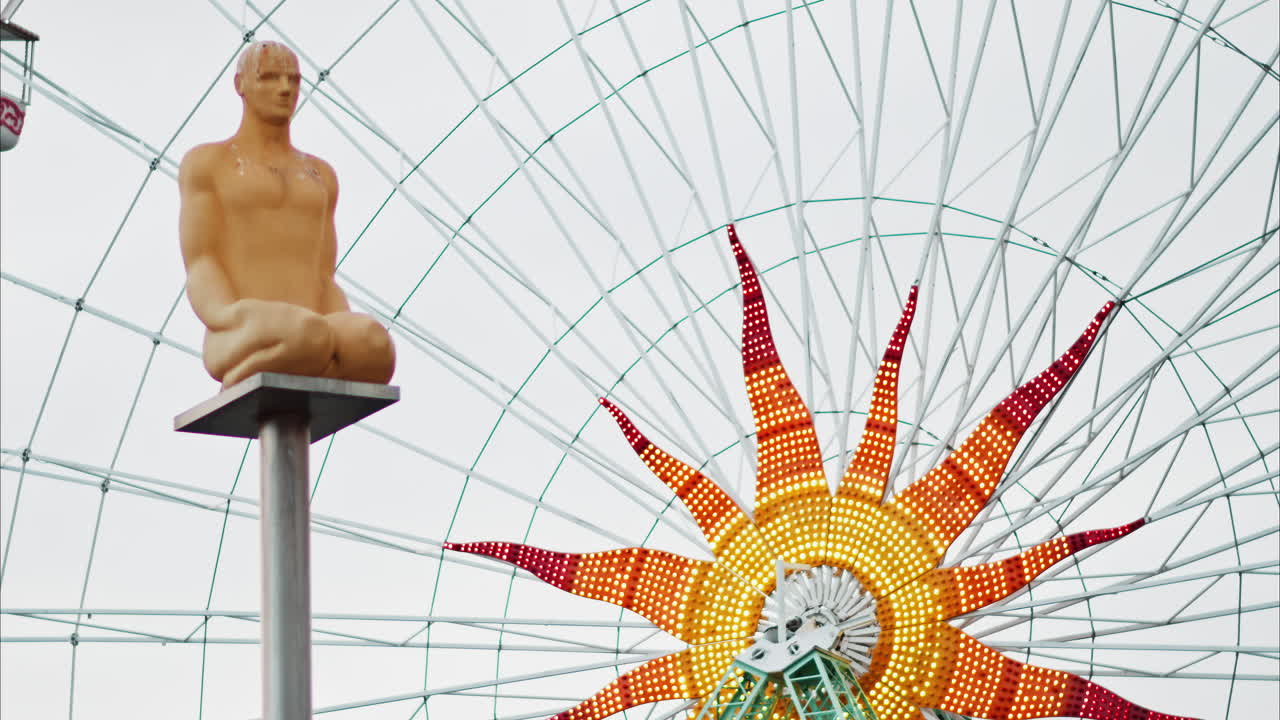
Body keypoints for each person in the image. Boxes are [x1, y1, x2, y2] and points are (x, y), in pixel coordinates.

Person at [178, 41, 395, 388]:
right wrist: (228, 316)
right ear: (241, 85)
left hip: (313, 327)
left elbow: (323, 274)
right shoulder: (208, 164)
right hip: (240, 329)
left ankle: (304, 361)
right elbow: (202, 261)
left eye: (293, 80)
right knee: (305, 336)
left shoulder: (321, 176)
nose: (284, 89)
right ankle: (253, 370)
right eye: (269, 77)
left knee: (374, 345)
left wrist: (345, 330)